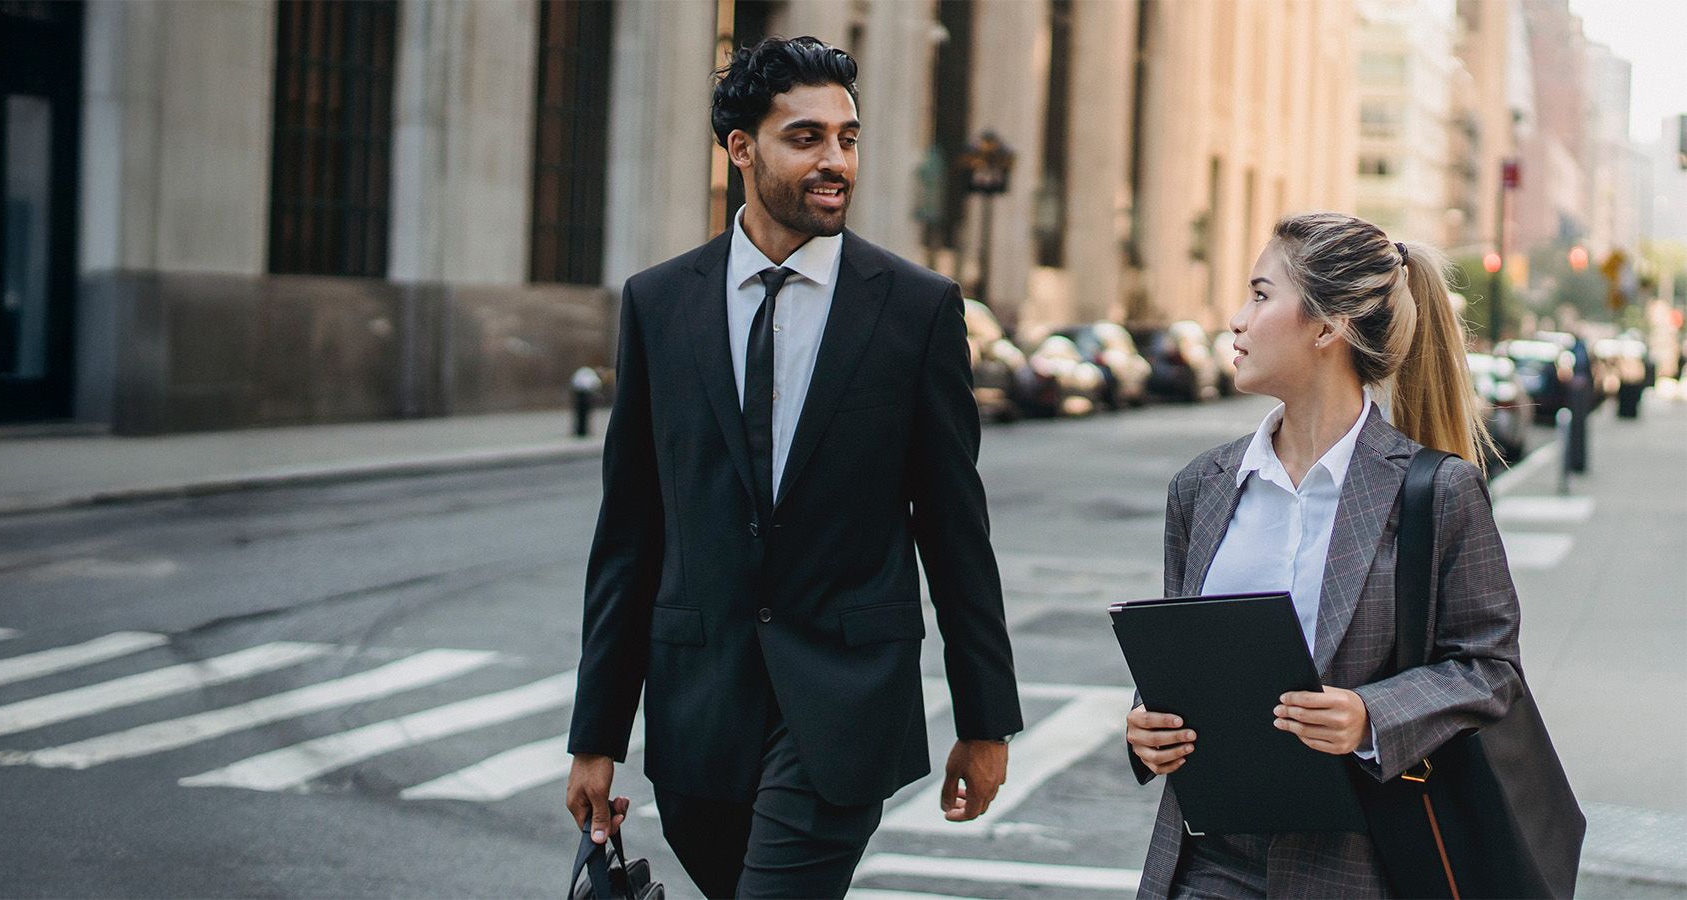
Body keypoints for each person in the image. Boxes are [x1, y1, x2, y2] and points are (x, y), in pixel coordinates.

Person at [563, 36, 1025, 899]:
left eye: (847, 139)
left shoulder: (916, 308)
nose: (835, 161)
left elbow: (955, 528)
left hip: (846, 701)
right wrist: (596, 736)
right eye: (806, 138)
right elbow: (629, 532)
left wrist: (985, 718)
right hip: (699, 712)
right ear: (742, 148)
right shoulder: (660, 304)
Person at [1124, 212, 1523, 897]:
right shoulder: (1201, 486)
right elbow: (1181, 651)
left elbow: (1490, 667)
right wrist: (1148, 722)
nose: (1237, 320)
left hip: (1358, 865)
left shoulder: (1436, 491)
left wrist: (1371, 715)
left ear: (1327, 327)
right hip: (1207, 861)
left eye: (1260, 295)